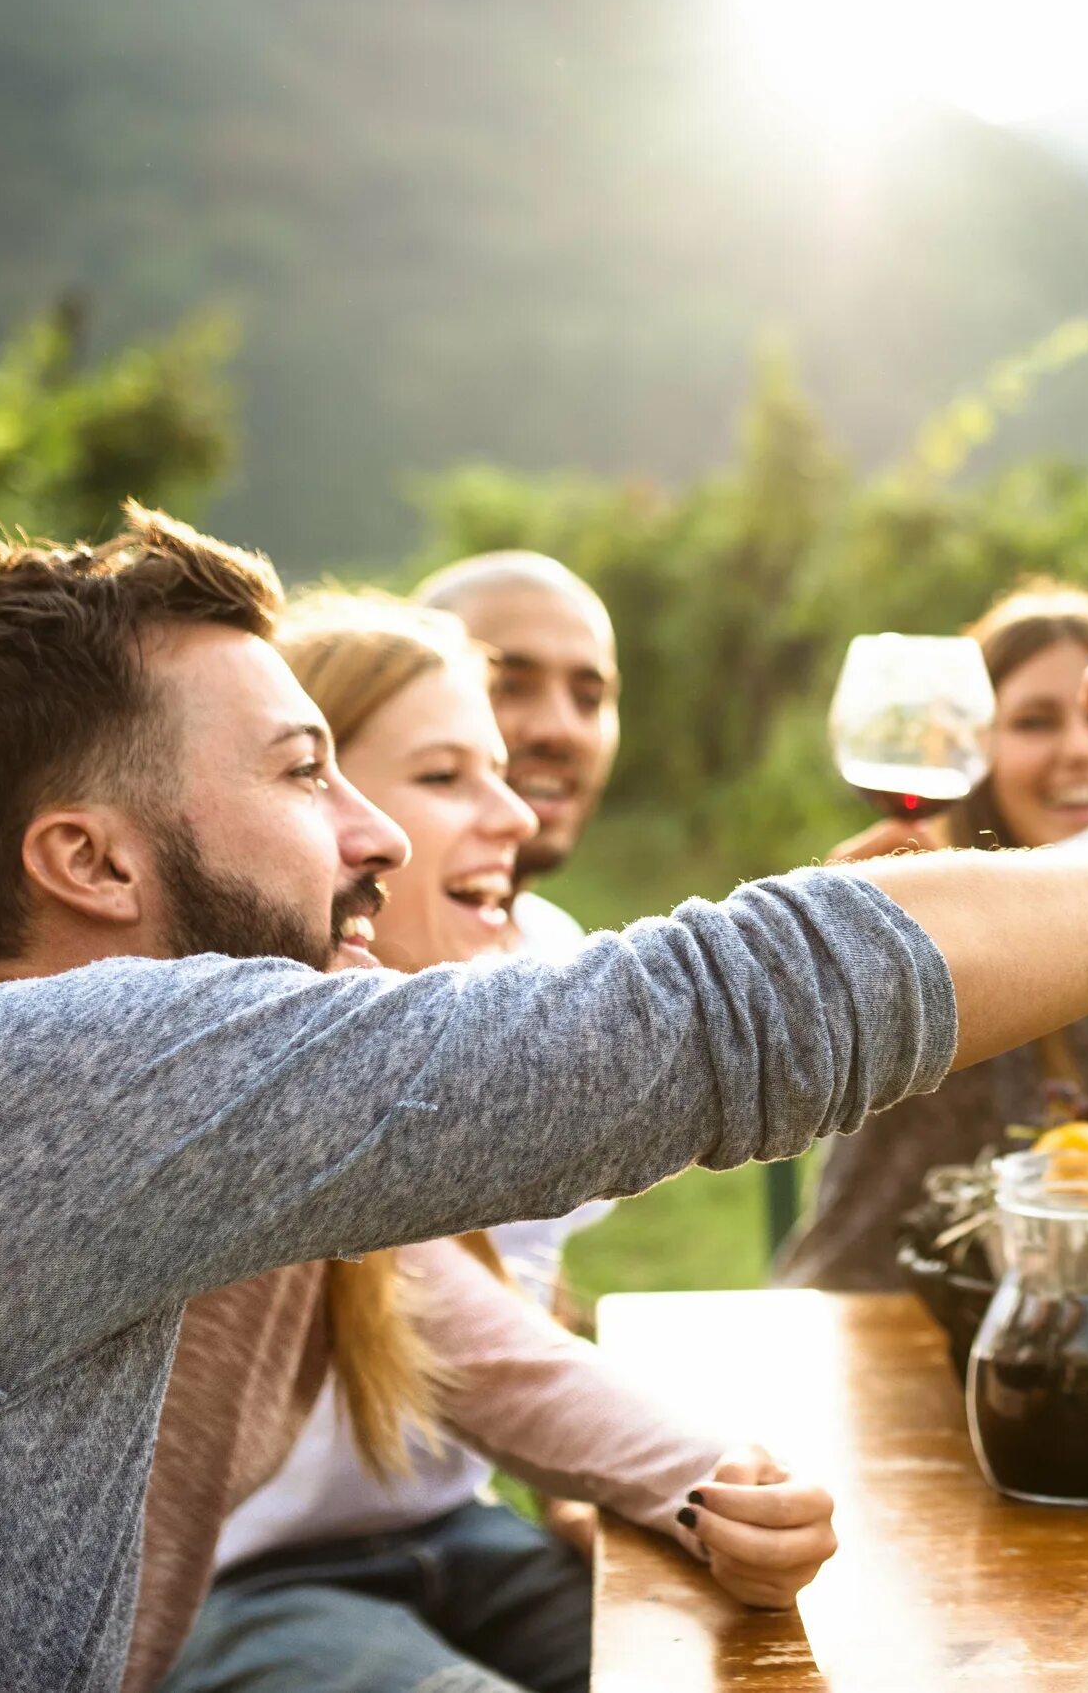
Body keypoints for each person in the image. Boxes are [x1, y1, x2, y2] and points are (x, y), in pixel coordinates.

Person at [0, 506, 1088, 1690]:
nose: (379, 836)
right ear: (84, 857)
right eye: (308, 770)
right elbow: (726, 1010)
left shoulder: (86, 1138)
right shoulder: (16, 1084)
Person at [144, 594, 829, 1693]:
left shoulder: (529, 976)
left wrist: (589, 1489)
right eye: (447, 776)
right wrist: (697, 1476)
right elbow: (471, 1337)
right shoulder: (255, 1044)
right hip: (248, 1577)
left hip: (455, 1529)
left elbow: (526, 1288)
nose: (513, 815)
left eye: (500, 771)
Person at [773, 583, 1088, 1290]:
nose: (1080, 751)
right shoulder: (924, 920)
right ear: (975, 745)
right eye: (1035, 722)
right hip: (872, 1331)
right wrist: (824, 962)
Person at [414, 549, 622, 952]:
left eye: (589, 697)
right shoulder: (335, 977)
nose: (560, 730)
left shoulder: (558, 944)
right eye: (508, 685)